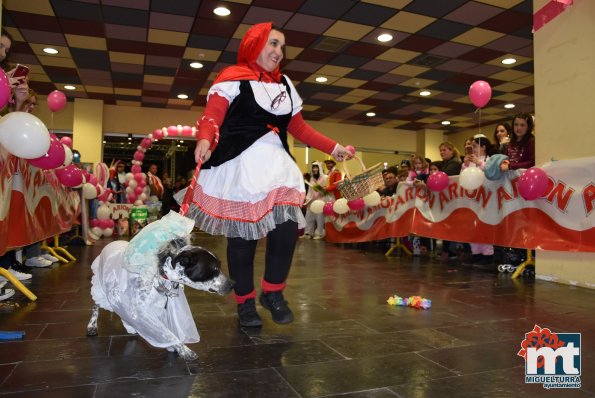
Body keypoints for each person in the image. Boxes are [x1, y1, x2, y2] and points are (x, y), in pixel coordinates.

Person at [181, 23, 353, 327]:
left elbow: (298, 127)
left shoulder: (285, 83)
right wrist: (205, 139)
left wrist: (334, 147)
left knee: (286, 231)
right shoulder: (231, 79)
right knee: (242, 241)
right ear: (254, 45)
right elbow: (212, 116)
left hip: (277, 168)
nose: (278, 52)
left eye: (282, 47)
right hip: (241, 167)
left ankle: (272, 293)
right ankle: (245, 302)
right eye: (273, 44)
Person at [302, 161, 327, 240]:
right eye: (313, 168)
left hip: (320, 200)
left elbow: (326, 191)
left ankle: (319, 233)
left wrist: (319, 189)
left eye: (316, 167)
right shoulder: (312, 178)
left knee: (320, 217)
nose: (315, 169)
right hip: (312, 201)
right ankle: (308, 233)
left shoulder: (324, 178)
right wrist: (307, 198)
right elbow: (309, 190)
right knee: (309, 216)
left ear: (319, 168)